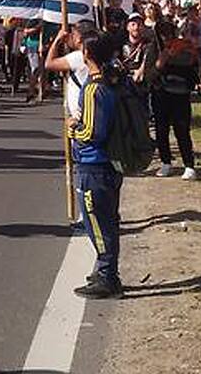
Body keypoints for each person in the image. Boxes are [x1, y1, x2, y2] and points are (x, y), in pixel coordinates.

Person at [69, 35, 124, 299]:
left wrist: (73, 129)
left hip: (94, 165)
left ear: (87, 53)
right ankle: (105, 270)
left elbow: (93, 132)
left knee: (99, 224)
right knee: (107, 221)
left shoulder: (94, 89)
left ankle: (107, 275)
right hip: (106, 166)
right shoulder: (110, 83)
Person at [151, 22, 199, 180]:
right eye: (162, 33)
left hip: (180, 93)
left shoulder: (184, 47)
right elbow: (148, 74)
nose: (166, 37)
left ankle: (189, 165)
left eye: (168, 33)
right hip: (160, 94)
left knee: (182, 131)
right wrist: (159, 64)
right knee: (161, 130)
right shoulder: (153, 48)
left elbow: (193, 66)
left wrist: (173, 57)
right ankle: (166, 162)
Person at [45, 20, 97, 118]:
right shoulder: (98, 53)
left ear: (79, 38)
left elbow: (49, 64)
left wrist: (57, 40)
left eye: (73, 34)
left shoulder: (79, 56)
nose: (70, 37)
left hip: (81, 114)